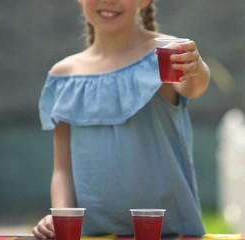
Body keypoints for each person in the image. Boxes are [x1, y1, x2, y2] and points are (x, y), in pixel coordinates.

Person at [32, 0, 211, 238]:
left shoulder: (166, 54)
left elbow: (194, 87)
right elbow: (63, 170)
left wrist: (196, 66)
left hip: (167, 234)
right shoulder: (64, 75)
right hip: (92, 236)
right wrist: (59, 219)